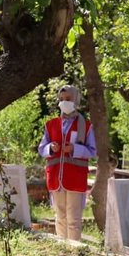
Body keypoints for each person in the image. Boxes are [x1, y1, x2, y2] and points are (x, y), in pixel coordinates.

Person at [38, 85, 96, 241]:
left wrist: (74, 148)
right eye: (62, 99)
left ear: (76, 100)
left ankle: (74, 250)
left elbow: (92, 151)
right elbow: (42, 148)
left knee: (73, 218)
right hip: (56, 177)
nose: (65, 102)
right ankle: (62, 248)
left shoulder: (86, 125)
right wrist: (51, 147)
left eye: (68, 99)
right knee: (60, 216)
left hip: (75, 177)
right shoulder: (50, 125)